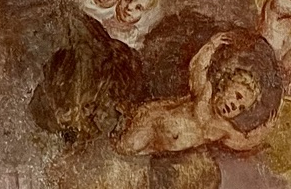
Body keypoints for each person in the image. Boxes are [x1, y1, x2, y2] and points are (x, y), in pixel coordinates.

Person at [114, 31, 277, 157]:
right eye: (237, 96)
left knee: (136, 155)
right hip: (154, 123)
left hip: (160, 147)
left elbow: (243, 141)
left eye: (241, 108)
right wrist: (212, 46)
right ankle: (125, 119)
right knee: (125, 147)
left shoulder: (223, 129)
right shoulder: (205, 94)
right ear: (224, 85)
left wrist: (264, 130)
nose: (235, 105)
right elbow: (198, 68)